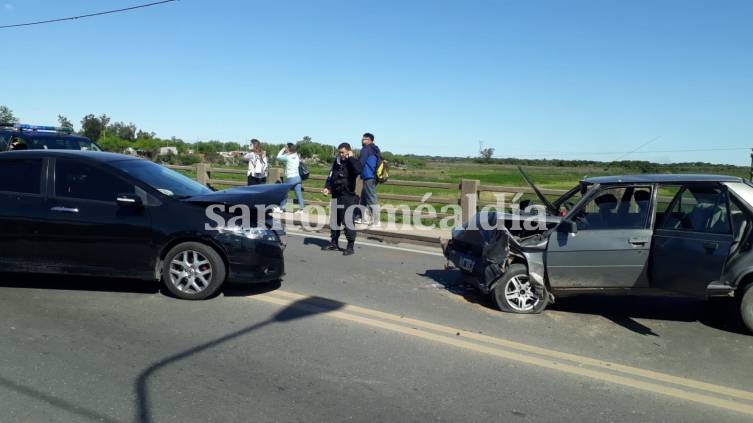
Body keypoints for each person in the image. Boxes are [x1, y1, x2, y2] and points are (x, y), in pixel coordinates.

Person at [321, 142, 362, 256]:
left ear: (348, 151)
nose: (341, 154)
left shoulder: (352, 161)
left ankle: (350, 246)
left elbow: (358, 170)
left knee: (347, 221)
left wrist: (351, 158)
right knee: (334, 220)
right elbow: (331, 175)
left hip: (347, 195)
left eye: (343, 152)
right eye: (339, 152)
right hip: (336, 194)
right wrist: (327, 188)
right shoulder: (337, 161)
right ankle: (334, 243)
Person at [354, 132, 380, 224]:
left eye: (364, 138)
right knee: (364, 198)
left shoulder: (365, 150)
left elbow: (361, 163)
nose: (362, 140)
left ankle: (376, 220)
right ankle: (362, 218)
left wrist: (353, 169)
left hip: (368, 176)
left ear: (369, 140)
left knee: (371, 198)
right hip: (373, 176)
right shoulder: (375, 149)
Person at [276, 142, 304, 214]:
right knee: (298, 193)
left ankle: (281, 208)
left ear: (288, 148)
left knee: (284, 192)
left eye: (286, 147)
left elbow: (278, 157)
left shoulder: (287, 157)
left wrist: (282, 149)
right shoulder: (296, 155)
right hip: (298, 178)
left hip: (290, 178)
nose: (285, 149)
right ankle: (301, 209)